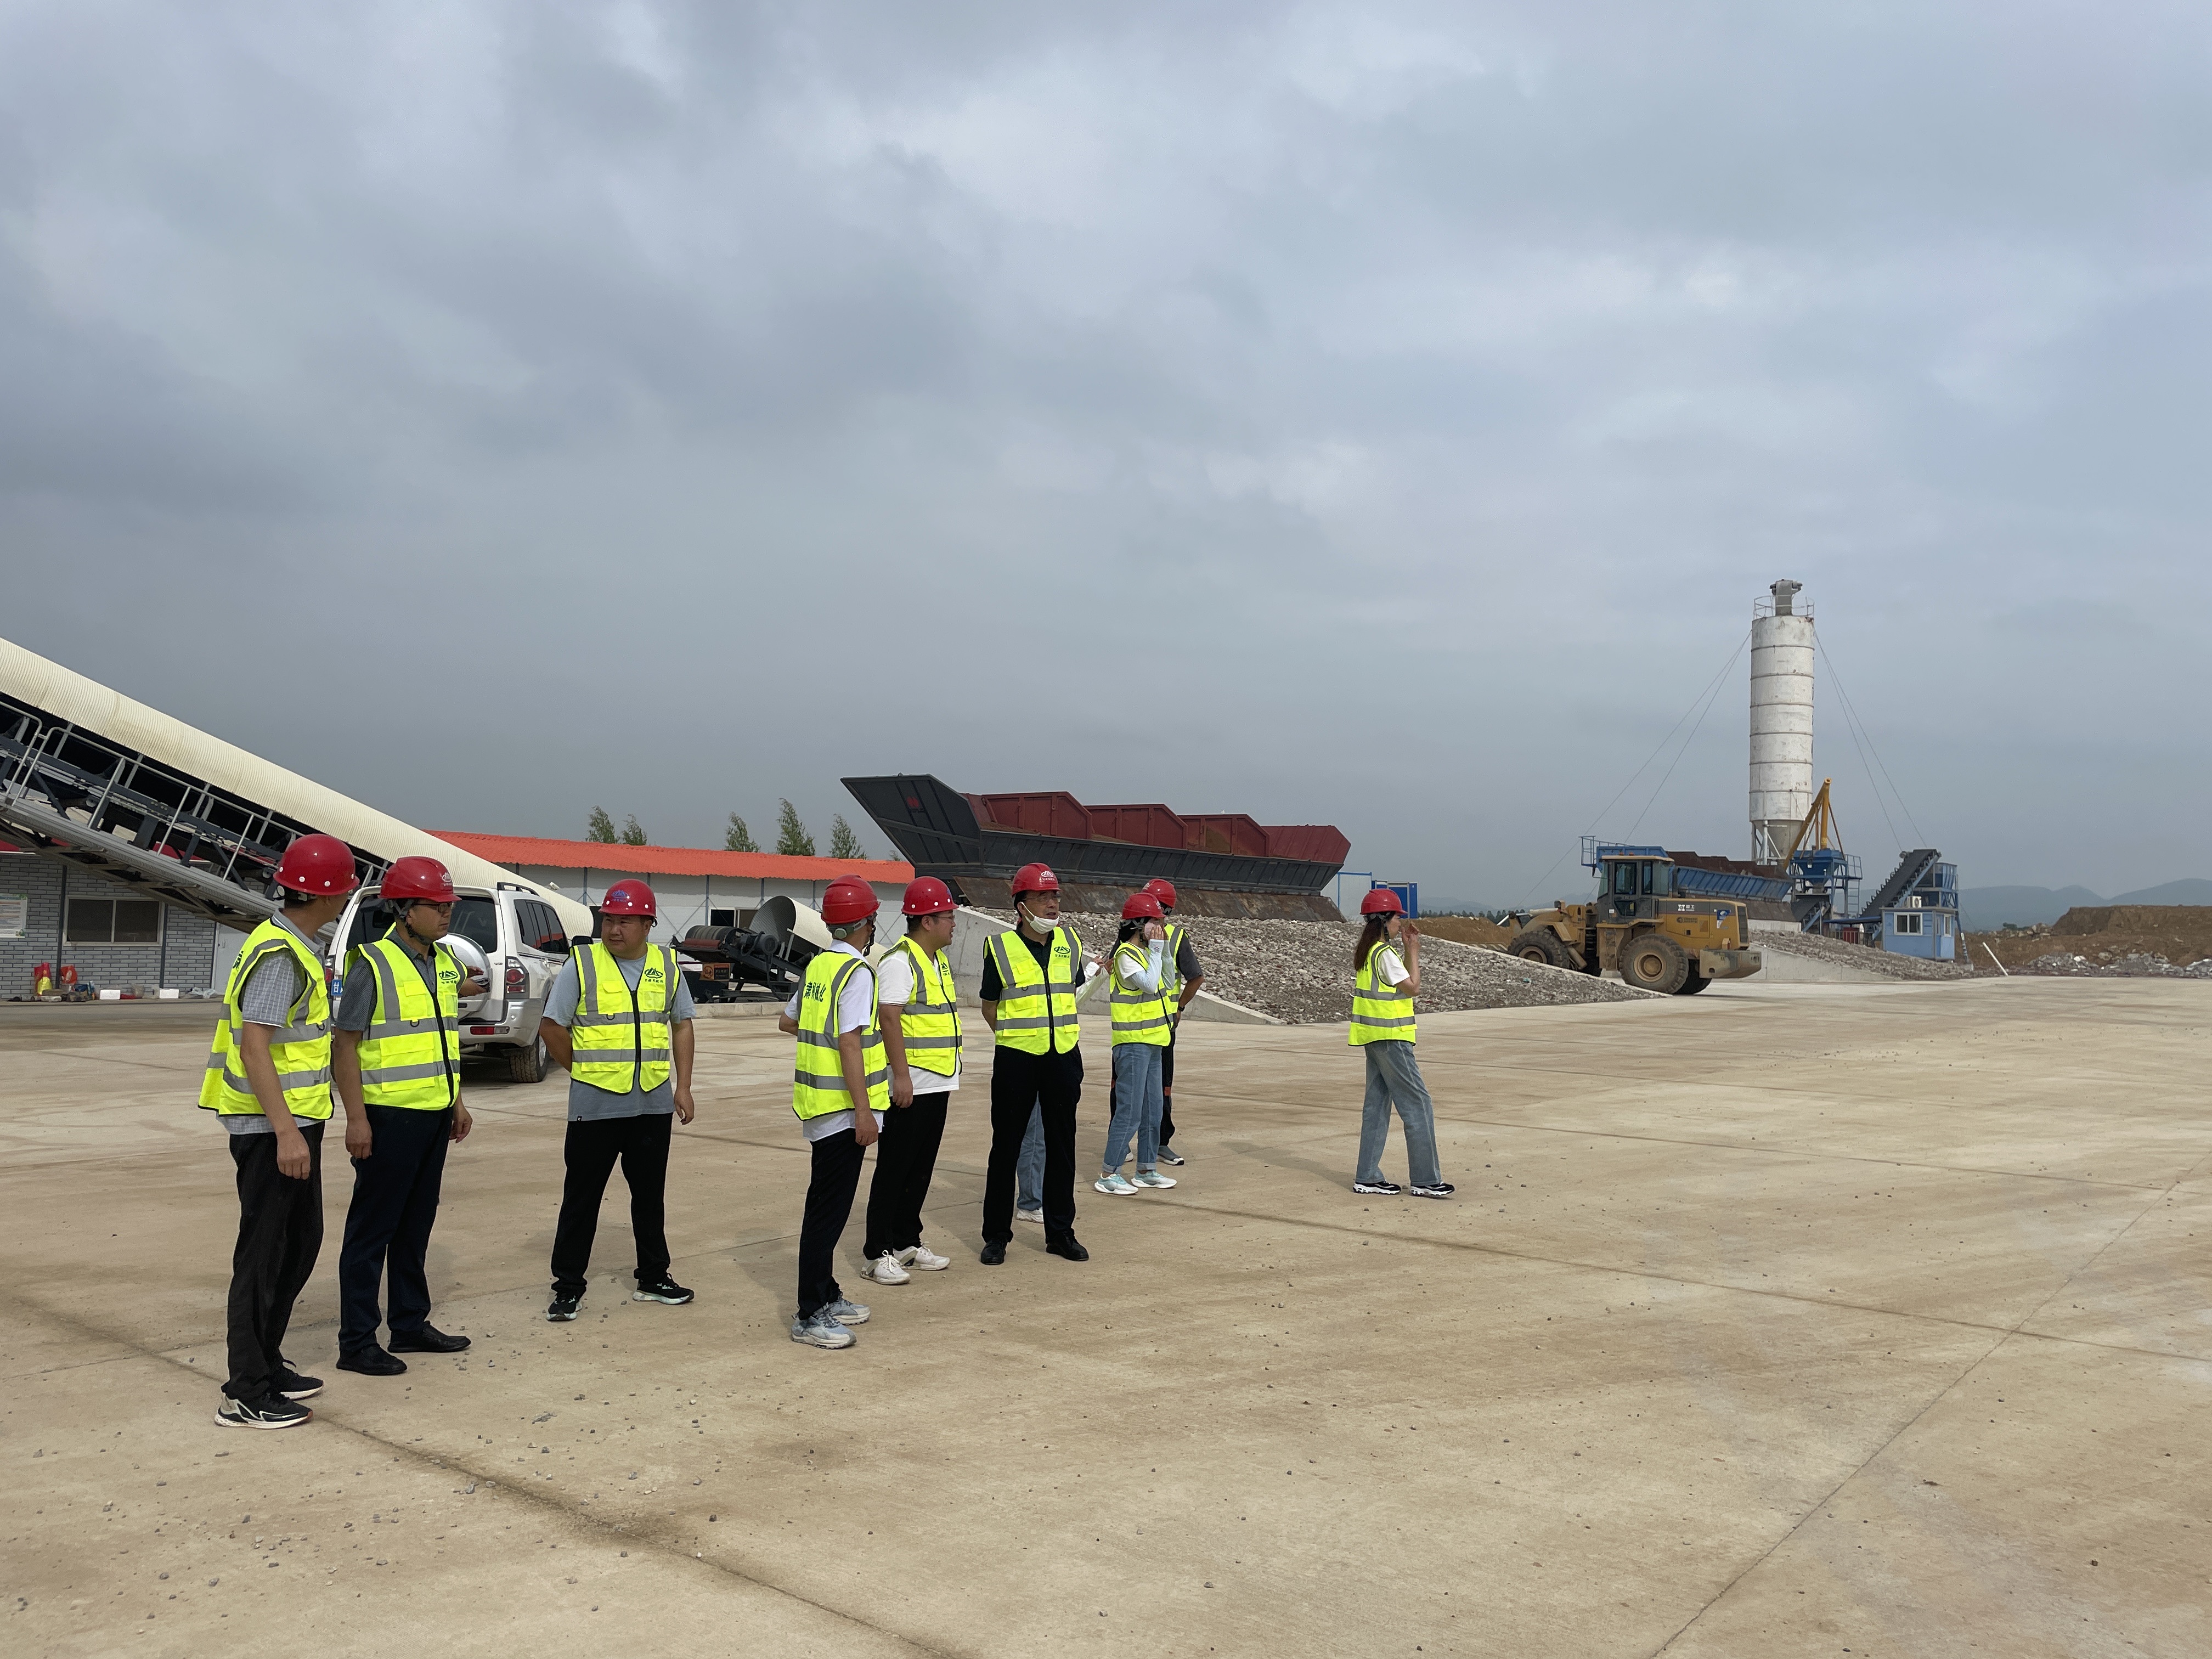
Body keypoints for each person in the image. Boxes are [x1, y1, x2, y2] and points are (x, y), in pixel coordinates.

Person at [200, 832, 359, 1429]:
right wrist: (287, 1132)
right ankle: (245, 1390)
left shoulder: (294, 945)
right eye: (345, 888)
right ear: (329, 895)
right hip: (273, 1129)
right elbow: (255, 1048)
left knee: (299, 1243)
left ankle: (267, 1362)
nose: (347, 896)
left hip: (294, 1122)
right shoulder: (281, 957)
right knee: (263, 1256)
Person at [330, 856, 483, 1376]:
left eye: (448, 906)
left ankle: (410, 1324)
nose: (446, 915)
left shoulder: (442, 962)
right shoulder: (371, 965)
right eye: (435, 906)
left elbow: (441, 1037)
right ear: (403, 910)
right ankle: (356, 1342)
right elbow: (345, 1045)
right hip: (387, 1117)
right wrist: (356, 1120)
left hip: (434, 1114)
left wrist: (456, 1103)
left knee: (416, 1226)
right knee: (372, 1232)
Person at [540, 879, 697, 1321]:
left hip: (652, 1106)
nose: (613, 929)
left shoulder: (666, 966)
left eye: (625, 921)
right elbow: (552, 1027)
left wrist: (683, 1086)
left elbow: (682, 1024)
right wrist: (584, 1070)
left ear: (648, 925)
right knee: (582, 1199)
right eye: (609, 919)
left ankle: (654, 1277)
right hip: (595, 1109)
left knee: (650, 1198)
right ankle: (568, 1286)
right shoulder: (582, 964)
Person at [778, 874, 887, 1348]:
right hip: (843, 1110)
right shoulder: (858, 973)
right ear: (866, 924)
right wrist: (864, 1112)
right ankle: (810, 1313)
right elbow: (850, 1043)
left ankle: (826, 1292)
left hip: (819, 1106)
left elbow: (788, 1021)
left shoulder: (819, 966)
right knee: (828, 1212)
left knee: (827, 1205)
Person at [978, 863, 1104, 1265]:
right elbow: (989, 1006)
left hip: (1063, 1057)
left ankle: (1060, 1233)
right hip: (1017, 1060)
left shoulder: (1070, 942)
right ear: (1021, 905)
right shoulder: (999, 948)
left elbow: (1072, 993)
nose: (1053, 904)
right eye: (1043, 897)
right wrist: (1016, 1037)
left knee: (1062, 1147)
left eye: (1055, 896)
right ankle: (997, 1236)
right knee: (1006, 1148)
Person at [859, 877, 963, 1285]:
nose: (954, 923)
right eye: (948, 916)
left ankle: (906, 1241)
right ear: (927, 921)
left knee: (920, 1169)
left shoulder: (936, 960)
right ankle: (876, 1252)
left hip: (938, 1081)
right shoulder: (900, 962)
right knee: (895, 1168)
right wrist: (901, 1077)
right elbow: (889, 1018)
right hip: (912, 1084)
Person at [1350, 889, 1453, 1199]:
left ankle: (1367, 1176)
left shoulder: (1370, 953)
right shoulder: (1384, 954)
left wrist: (1407, 948)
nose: (1400, 923)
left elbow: (1400, 981)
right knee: (1418, 1105)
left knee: (1377, 1107)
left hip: (1374, 1039)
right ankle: (1425, 1180)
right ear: (1384, 920)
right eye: (1397, 917)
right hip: (1393, 1040)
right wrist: (1415, 951)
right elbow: (1413, 987)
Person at [1096, 891, 1177, 1195]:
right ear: (1139, 924)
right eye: (1156, 921)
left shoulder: (1148, 953)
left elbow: (1168, 980)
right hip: (1132, 1044)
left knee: (1153, 1110)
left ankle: (1146, 1169)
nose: (1162, 926)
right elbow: (1151, 984)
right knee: (1129, 1111)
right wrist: (1156, 949)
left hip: (1154, 1042)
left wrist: (1163, 950)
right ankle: (1109, 1173)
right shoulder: (1125, 956)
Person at [1141, 878, 1206, 1166]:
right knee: (1125, 1087)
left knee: (1161, 1086)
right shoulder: (1130, 935)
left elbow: (1196, 978)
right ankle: (1124, 1141)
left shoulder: (1176, 938)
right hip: (1133, 1026)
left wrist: (1179, 1006)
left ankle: (1160, 1142)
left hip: (1162, 1025)